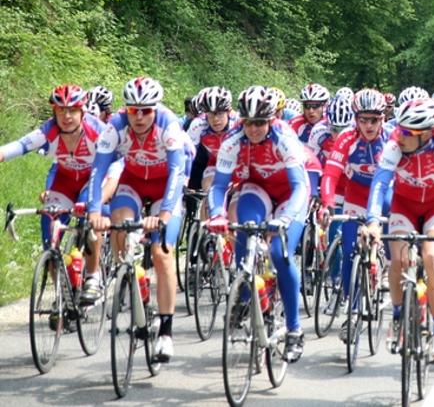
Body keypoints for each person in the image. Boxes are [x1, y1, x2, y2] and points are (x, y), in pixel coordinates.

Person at [205, 86, 312, 363]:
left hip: (290, 196)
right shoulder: (233, 140)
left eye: (260, 123)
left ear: (271, 120)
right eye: (249, 122)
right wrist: (217, 214)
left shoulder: (284, 138)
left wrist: (285, 219)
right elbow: (219, 186)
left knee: (279, 253)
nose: (253, 129)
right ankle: (244, 294)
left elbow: (300, 186)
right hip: (258, 189)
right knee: (246, 228)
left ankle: (294, 329)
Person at [88, 76, 188, 362]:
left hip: (164, 188)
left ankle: (166, 332)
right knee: (120, 226)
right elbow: (98, 170)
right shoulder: (115, 126)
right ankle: (136, 291)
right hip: (132, 182)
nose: (140, 117)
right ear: (126, 110)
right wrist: (94, 212)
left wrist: (164, 214)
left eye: (146, 111)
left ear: (155, 109)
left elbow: (177, 172)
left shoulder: (168, 124)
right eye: (134, 110)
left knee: (161, 253)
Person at [362, 98, 434, 363]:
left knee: (432, 257)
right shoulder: (396, 142)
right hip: (404, 204)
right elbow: (380, 183)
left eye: (407, 131)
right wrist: (373, 221)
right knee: (398, 259)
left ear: (425, 133)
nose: (399, 134)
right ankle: (398, 316)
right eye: (400, 128)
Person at [0, 85, 120, 305]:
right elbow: (20, 146)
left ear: (82, 111)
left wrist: (103, 195)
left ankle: (92, 277)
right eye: (61, 110)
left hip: (93, 179)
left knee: (90, 218)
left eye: (72, 110)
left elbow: (118, 161)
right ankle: (62, 293)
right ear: (54, 111)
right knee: (50, 229)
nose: (66, 116)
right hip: (65, 181)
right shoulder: (49, 130)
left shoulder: (98, 131)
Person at [320, 88, 391, 342]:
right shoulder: (347, 138)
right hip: (356, 195)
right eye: (363, 119)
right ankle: (352, 311)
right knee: (350, 249)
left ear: (383, 118)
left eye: (374, 119)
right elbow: (331, 174)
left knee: (392, 217)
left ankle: (388, 265)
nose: (369, 125)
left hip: (386, 194)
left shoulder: (392, 138)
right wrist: (327, 203)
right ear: (356, 119)